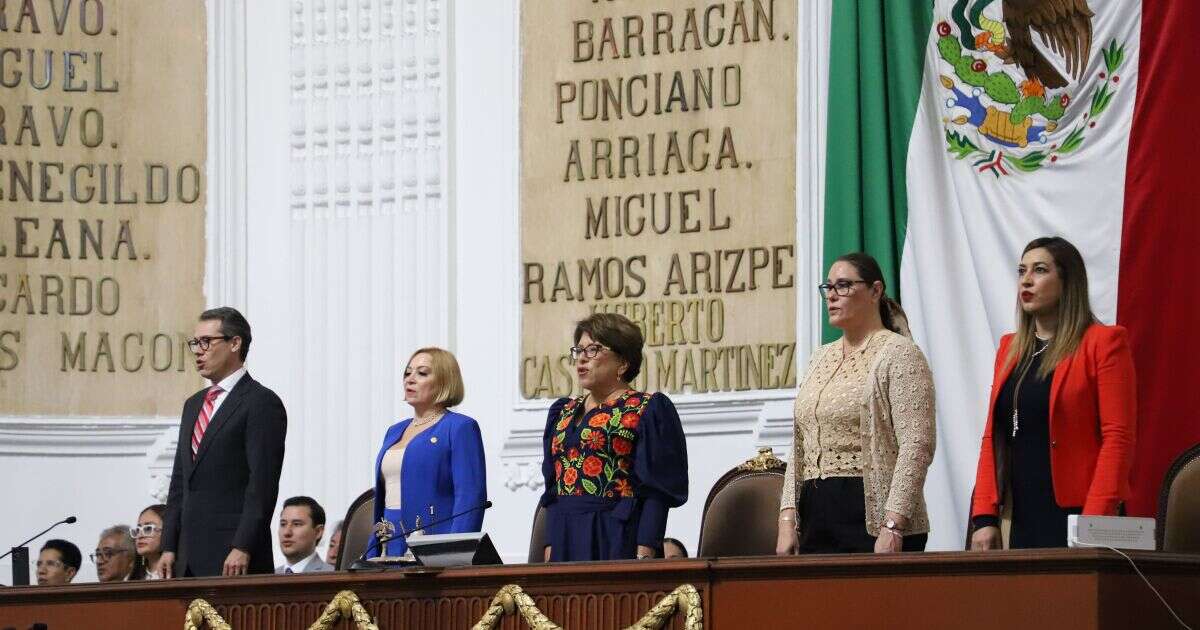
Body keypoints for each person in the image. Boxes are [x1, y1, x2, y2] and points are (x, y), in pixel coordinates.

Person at [970, 237, 1136, 550]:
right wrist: (984, 516)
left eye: (1040, 270)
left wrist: (1094, 522)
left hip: (1079, 512)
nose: (1026, 280)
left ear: (1067, 281)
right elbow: (992, 436)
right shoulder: (1010, 348)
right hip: (1018, 513)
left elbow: (1119, 438)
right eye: (1022, 271)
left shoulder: (1104, 343)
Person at [776, 253, 936, 555]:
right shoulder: (820, 357)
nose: (832, 296)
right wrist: (787, 518)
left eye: (844, 286)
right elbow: (799, 444)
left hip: (872, 517)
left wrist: (893, 525)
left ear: (875, 291)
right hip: (816, 516)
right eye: (828, 287)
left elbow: (917, 444)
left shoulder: (899, 353)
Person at [540, 313, 689, 562]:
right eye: (579, 350)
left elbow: (657, 492)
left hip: (615, 534)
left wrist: (645, 551)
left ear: (623, 362)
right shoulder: (562, 411)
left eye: (594, 349)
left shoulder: (646, 409)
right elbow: (553, 488)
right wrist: (550, 545)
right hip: (565, 535)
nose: (582, 358)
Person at [160, 307, 288, 577]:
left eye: (206, 342)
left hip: (234, 556)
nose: (197, 350)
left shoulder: (260, 402)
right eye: (195, 342)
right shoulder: (193, 405)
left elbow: (262, 484)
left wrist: (243, 545)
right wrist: (169, 545)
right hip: (186, 558)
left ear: (235, 343)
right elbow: (180, 482)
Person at [364, 347, 487, 559]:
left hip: (432, 542)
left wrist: (454, 554)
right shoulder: (394, 432)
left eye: (422, 373)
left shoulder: (459, 427)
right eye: (407, 373)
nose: (410, 379)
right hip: (389, 537)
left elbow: (470, 498)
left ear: (444, 381)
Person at [276, 496, 335, 573]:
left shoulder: (332, 576)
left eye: (297, 524)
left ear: (318, 532)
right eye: (283, 524)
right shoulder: (266, 578)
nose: (287, 532)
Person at [132, 504, 167, 580]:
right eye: (138, 530)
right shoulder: (132, 579)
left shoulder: (182, 576)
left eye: (148, 529)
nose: (140, 536)